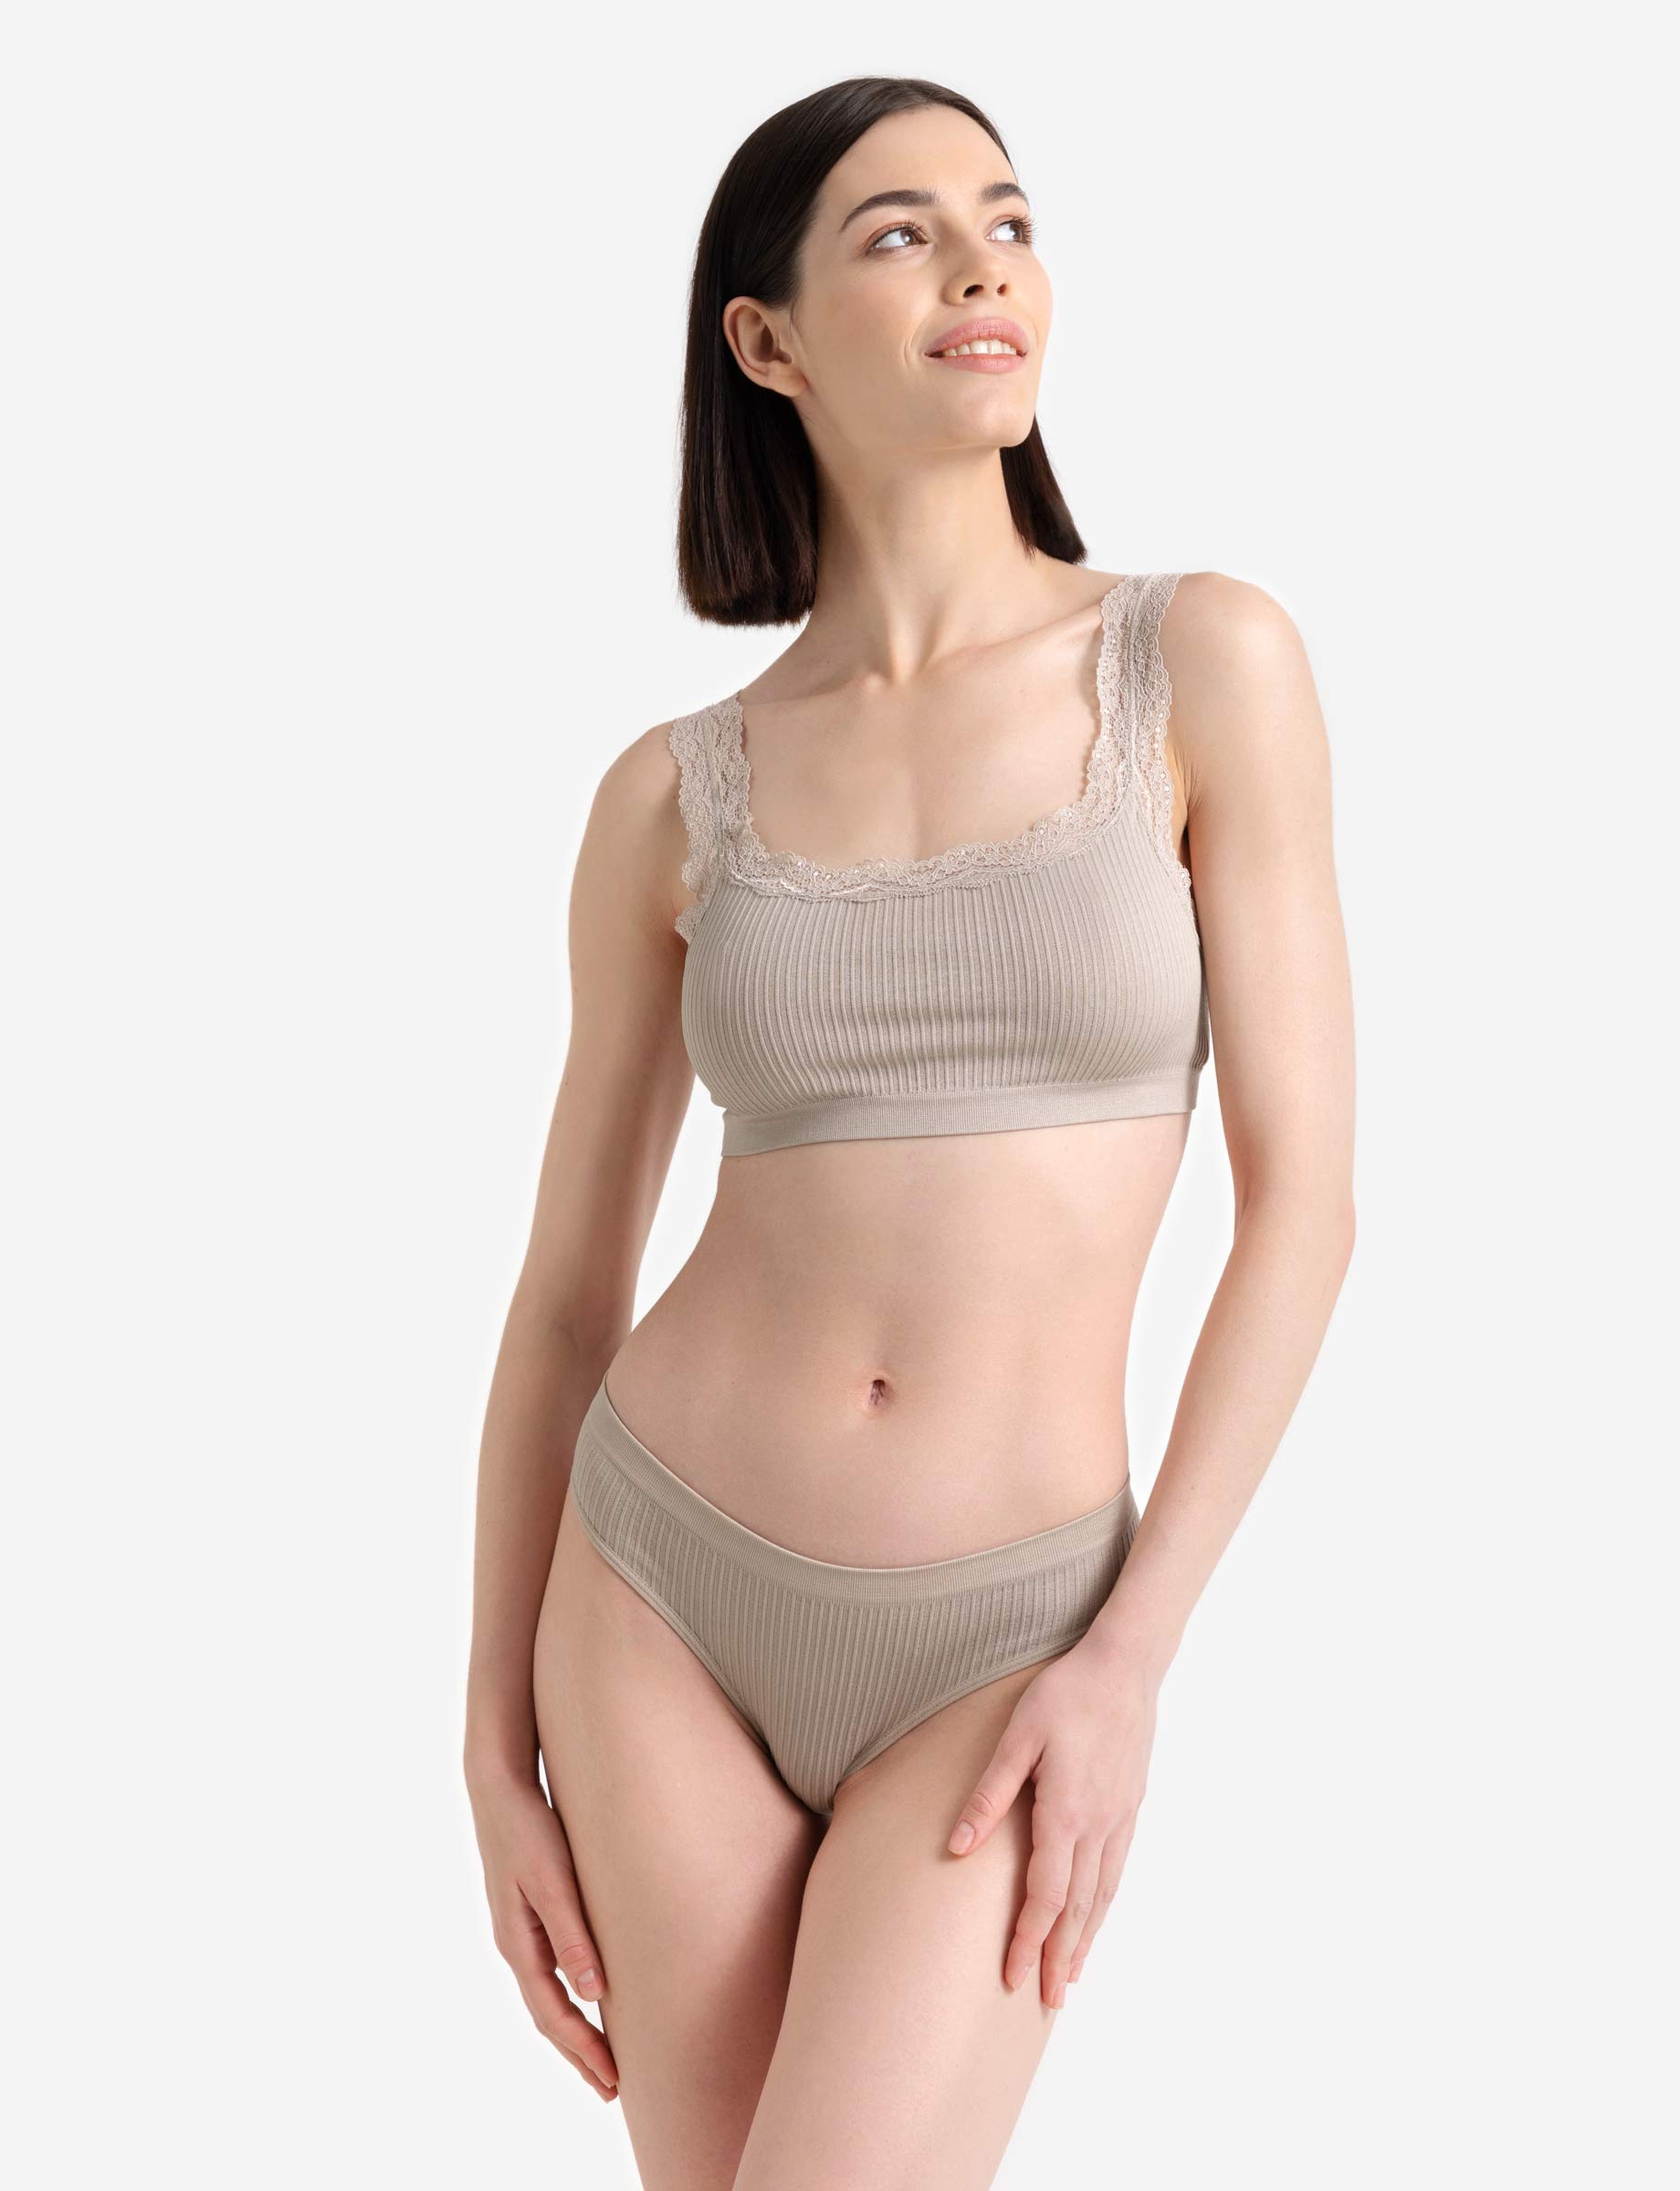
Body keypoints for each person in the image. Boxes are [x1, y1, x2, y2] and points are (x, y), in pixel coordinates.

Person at [465, 73, 1355, 2188]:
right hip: (656, 1591)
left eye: (1007, 220)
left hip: (1009, 1628)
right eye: (898, 232)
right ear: (763, 341)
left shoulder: (1197, 662)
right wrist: (487, 1740)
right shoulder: (673, 791)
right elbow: (568, 1290)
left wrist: (1129, 1657)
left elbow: (1304, 1207)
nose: (980, 265)